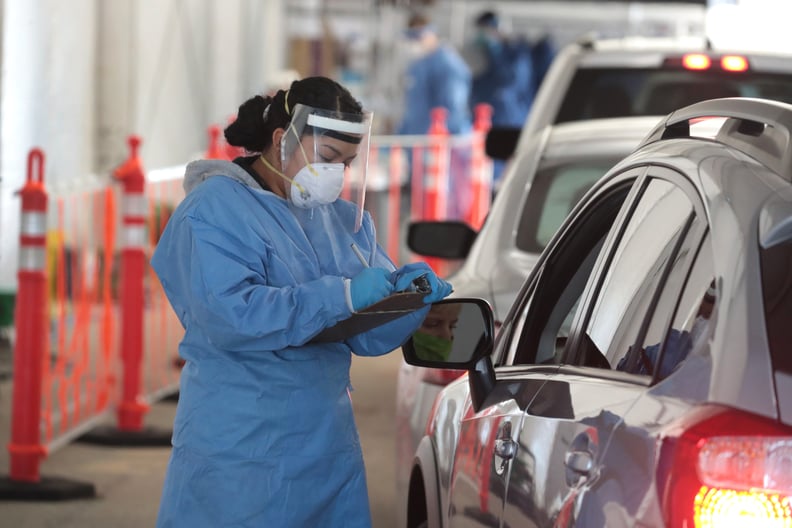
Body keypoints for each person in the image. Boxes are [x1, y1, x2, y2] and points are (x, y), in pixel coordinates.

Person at [151, 76, 452, 528]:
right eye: (328, 158)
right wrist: (342, 295)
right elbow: (230, 316)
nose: (337, 174)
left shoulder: (340, 220)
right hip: (240, 447)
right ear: (281, 140)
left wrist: (408, 302)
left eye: (347, 164)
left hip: (326, 447)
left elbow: (365, 340)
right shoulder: (213, 210)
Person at [397, 12, 473, 222]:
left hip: (441, 152)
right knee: (423, 209)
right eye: (410, 38)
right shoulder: (419, 65)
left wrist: (440, 140)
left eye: (417, 37)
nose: (413, 44)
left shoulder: (448, 66)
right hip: (420, 148)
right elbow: (413, 111)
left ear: (431, 34)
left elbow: (453, 112)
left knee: (443, 209)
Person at [465, 10, 536, 185]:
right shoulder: (481, 55)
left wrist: (496, 54)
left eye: (486, 31)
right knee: (483, 179)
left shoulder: (516, 54)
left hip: (509, 123)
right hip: (484, 124)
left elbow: (512, 81)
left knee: (509, 178)